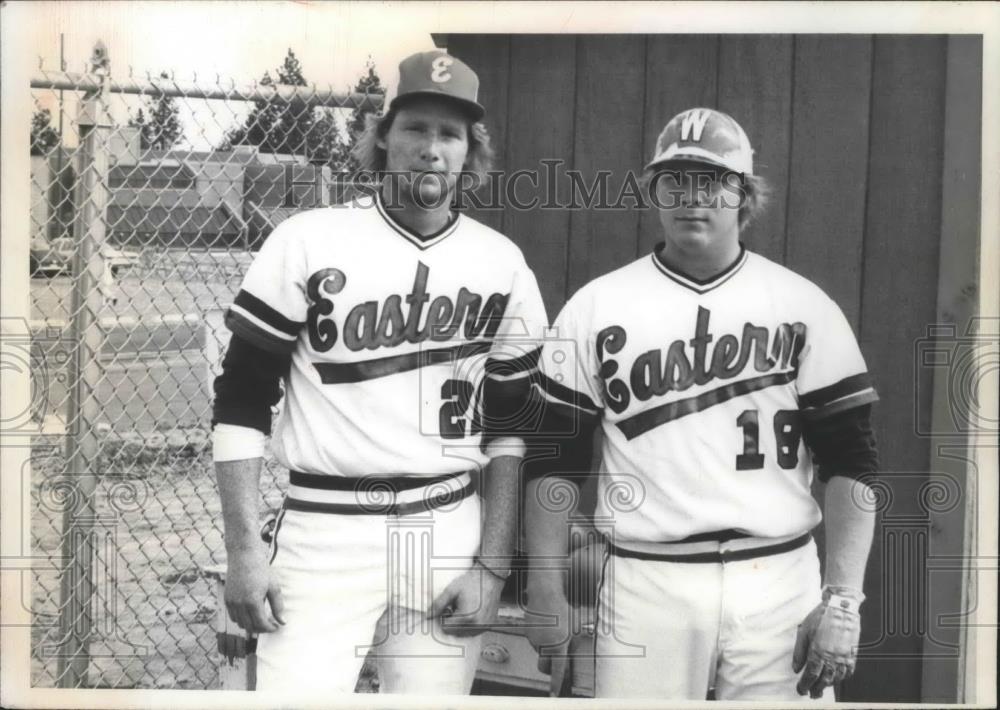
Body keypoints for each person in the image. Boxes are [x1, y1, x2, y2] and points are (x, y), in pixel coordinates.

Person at [212, 50, 548, 695]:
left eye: (449, 134)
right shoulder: (309, 239)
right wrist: (244, 548)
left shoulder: (500, 261)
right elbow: (241, 400)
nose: (431, 148)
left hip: (448, 519)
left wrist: (494, 563)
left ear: (470, 151)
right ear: (383, 138)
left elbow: (511, 424)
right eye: (416, 128)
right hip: (325, 525)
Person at [523, 107, 879, 700]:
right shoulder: (596, 305)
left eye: (713, 181)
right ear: (653, 192)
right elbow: (552, 458)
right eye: (675, 180)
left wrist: (843, 599)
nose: (693, 197)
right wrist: (545, 581)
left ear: (744, 195)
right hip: (646, 578)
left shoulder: (803, 304)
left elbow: (853, 461)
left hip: (778, 575)